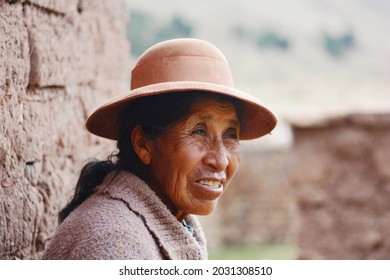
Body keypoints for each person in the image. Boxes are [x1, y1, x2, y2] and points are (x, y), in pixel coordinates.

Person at [42, 38, 277, 260]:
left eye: (230, 135)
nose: (221, 160)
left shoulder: (165, 222)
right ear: (143, 143)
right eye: (199, 131)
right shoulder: (115, 244)